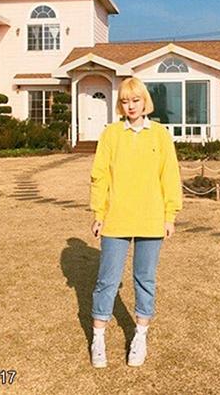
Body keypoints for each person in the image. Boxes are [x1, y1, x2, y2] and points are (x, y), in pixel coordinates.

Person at [89, 77, 183, 368]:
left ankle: (140, 336)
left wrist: (170, 215)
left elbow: (170, 176)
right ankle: (98, 338)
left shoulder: (160, 135)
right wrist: (98, 214)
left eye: (135, 100)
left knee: (145, 279)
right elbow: (100, 175)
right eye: (125, 101)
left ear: (145, 102)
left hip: (151, 219)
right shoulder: (111, 134)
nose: (130, 106)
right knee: (107, 280)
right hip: (116, 219)